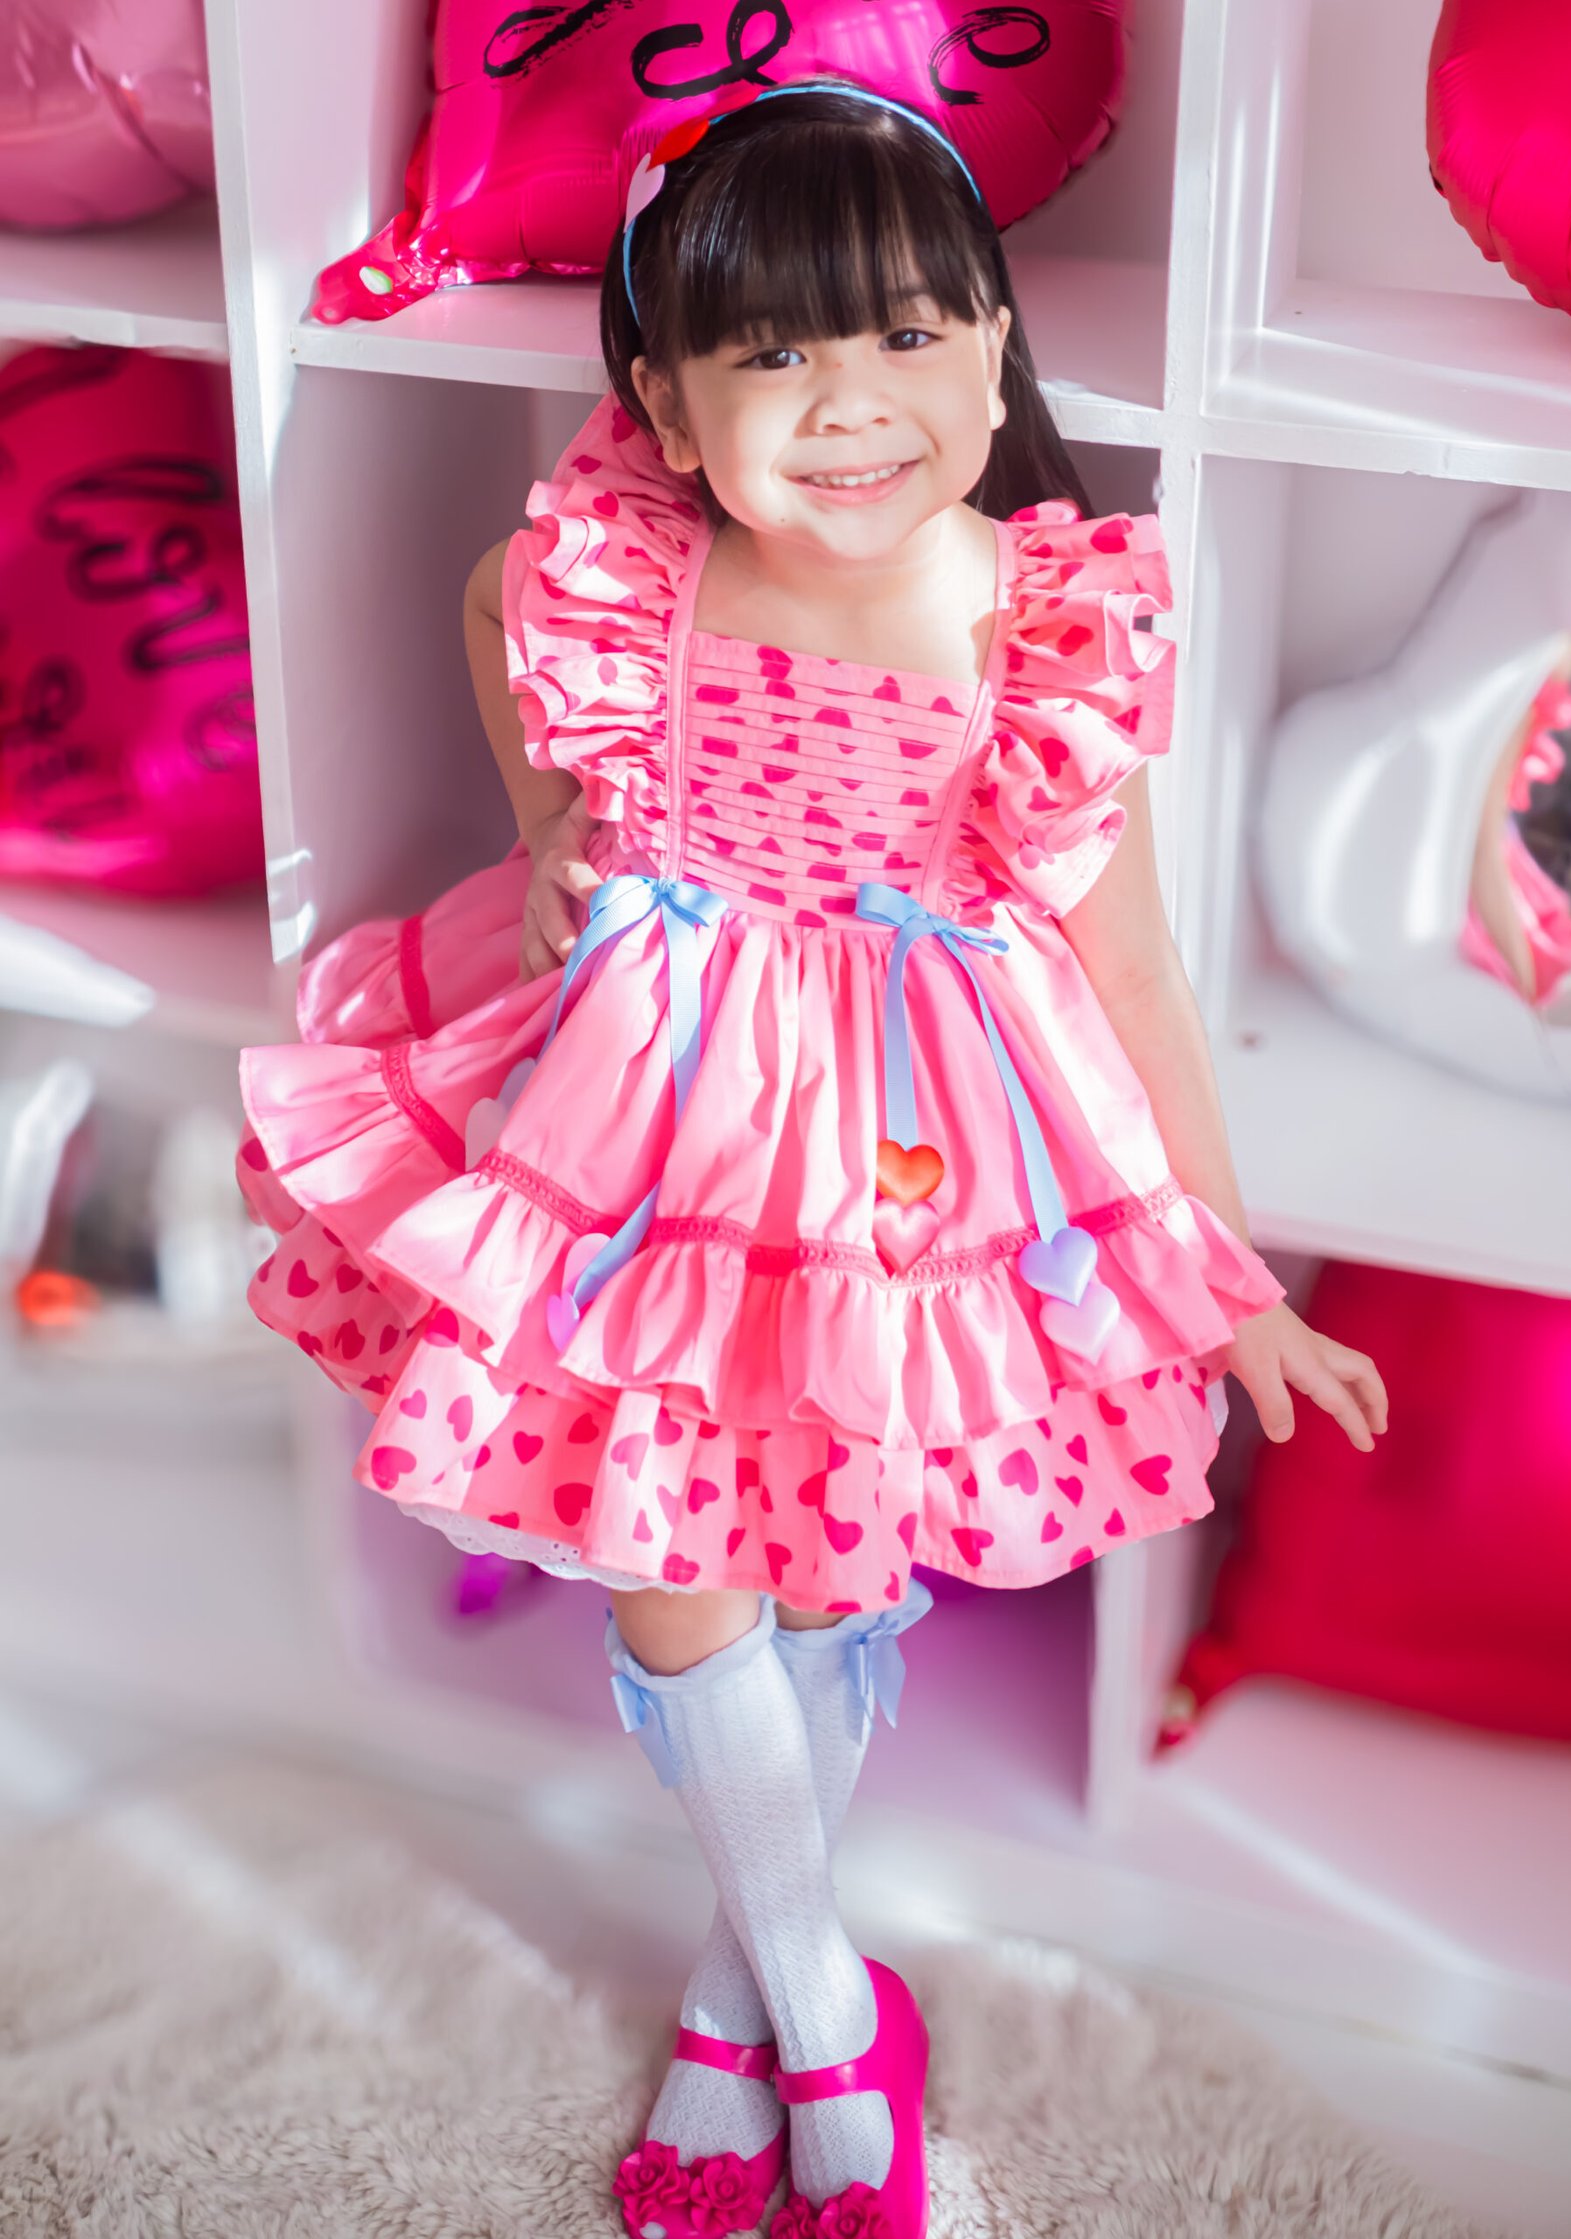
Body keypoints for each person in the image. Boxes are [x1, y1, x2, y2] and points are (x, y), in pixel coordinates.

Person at [236, 78, 1388, 2239]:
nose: (851, 403)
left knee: (823, 1563)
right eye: (772, 354)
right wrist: (555, 835)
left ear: (993, 350)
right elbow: (495, 610)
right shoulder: (625, 578)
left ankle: (732, 1998)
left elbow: (1133, 971)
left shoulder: (1033, 625)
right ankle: (830, 2009)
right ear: (667, 410)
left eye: (908, 333)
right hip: (647, 1138)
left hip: (908, 1165)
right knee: (680, 1583)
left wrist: (1221, 1273)